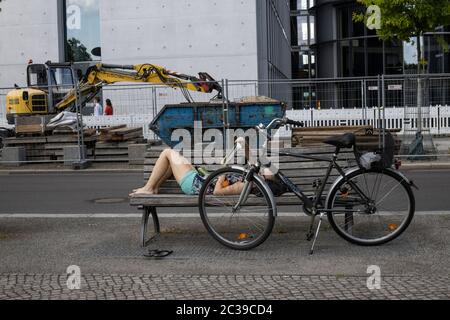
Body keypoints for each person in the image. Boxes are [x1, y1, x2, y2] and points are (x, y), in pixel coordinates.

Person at [131, 149, 287, 197]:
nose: (263, 170)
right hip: (200, 179)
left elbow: (218, 192)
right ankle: (154, 187)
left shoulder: (248, 184)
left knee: (167, 152)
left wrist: (222, 175)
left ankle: (149, 188)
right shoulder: (255, 178)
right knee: (172, 163)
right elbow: (253, 157)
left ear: (267, 180)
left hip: (195, 185)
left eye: (266, 172)